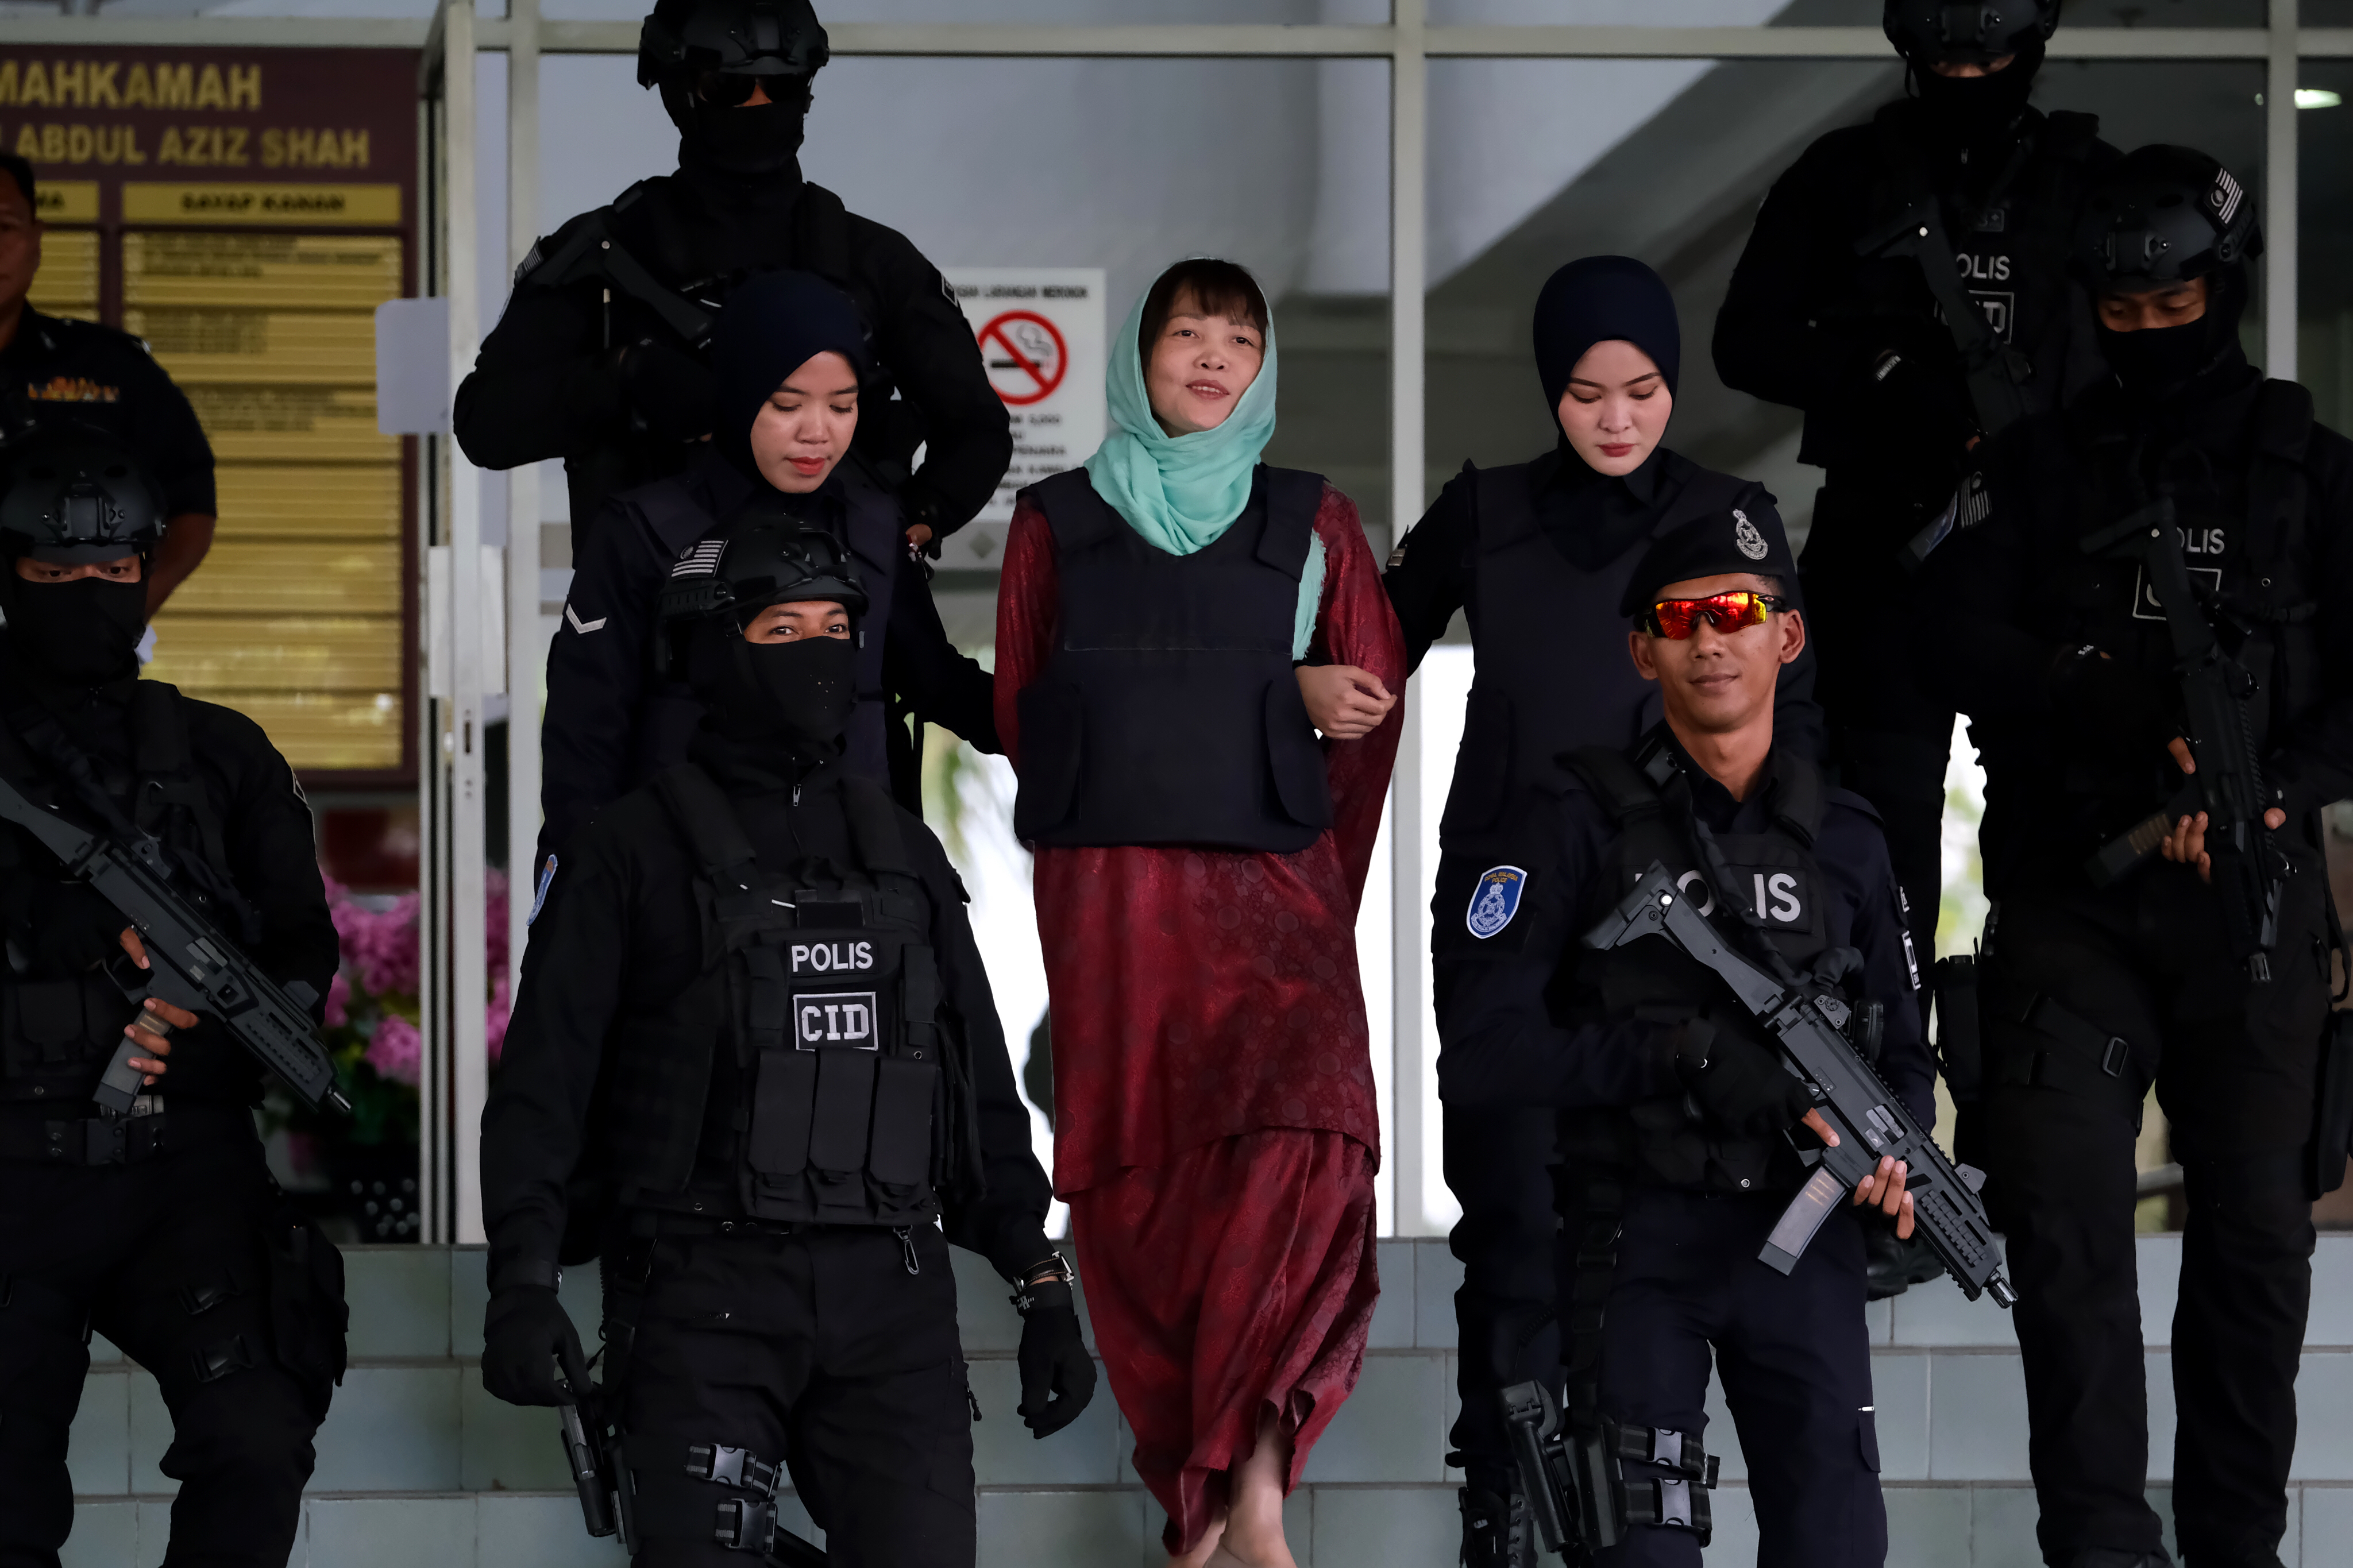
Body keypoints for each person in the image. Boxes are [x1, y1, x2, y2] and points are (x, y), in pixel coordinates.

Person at [479, 519, 1094, 1567]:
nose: (818, 651)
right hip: (702, 1294)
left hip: (890, 1297)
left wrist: (1040, 1284)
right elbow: (547, 1084)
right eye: (781, 626)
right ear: (710, 650)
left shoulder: (901, 849)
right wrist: (523, 1282)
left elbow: (975, 1085)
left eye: (837, 625)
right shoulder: (629, 852)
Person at [1923, 146, 2352, 1568]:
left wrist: (2273, 789)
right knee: (2063, 1232)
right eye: (2125, 314)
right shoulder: (2037, 467)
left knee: (2255, 1249)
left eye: (2179, 309)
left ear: (2221, 291)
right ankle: (2100, 1550)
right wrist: (2102, 696)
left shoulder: (2315, 473)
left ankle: (2236, 1550)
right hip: (2072, 903)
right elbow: (1950, 634)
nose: (2155, 334)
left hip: (2254, 905)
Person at [1384, 254, 1827, 1568]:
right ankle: (1505, 1512)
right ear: (1550, 392)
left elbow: (1792, 725)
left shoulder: (1727, 515)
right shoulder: (1488, 513)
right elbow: (1358, 650)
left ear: (1672, 387)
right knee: (1511, 1217)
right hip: (1511, 906)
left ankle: (1630, 1520)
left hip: (1681, 923)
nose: (1616, 417)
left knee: (1644, 1223)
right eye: (1586, 393)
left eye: (1640, 390)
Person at [994, 257, 1405, 1568]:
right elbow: (1032, 721)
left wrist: (1308, 875)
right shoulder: (1054, 526)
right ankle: (1207, 1502)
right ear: (1141, 354)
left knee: (1313, 1146)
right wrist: (1268, 703)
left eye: (1239, 338)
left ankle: (1258, 1489)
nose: (1214, 358)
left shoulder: (1317, 520)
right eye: (1187, 333)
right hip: (1121, 915)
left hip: (1276, 908)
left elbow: (1371, 724)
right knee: (1145, 1198)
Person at [1434, 507, 1930, 1568]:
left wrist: (1897, 1156)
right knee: (1639, 1554)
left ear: (1783, 637)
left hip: (1804, 1247)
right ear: (1642, 648)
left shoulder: (1848, 838)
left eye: (1736, 612)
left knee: (1837, 1544)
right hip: (1635, 1241)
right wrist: (1676, 1054)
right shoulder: (1572, 818)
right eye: (1681, 618)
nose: (1710, 639)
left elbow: (1905, 1054)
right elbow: (1479, 1056)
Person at [1713, 0, 2117, 986]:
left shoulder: (2092, 188)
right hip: (1882, 548)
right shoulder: (1845, 178)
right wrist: (1883, 375)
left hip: (2043, 555)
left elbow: (2146, 368)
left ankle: (2031, 1074)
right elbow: (1744, 340)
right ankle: (1879, 1072)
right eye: (1949, 63)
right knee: (1870, 830)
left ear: (2033, 43)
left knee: (2062, 829)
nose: (1970, 80)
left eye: (1993, 61)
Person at [0, 431, 346, 1568]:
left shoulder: (223, 755)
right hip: (13, 1163)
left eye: (110, 574)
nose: (85, 596)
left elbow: (302, 942)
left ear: (148, 572)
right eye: (52, 574)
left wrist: (208, 1009)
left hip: (182, 1172)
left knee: (256, 1431)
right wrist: (61, 937)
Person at [452, 0, 1010, 553]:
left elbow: (975, 429)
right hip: (643, 614)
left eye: (782, 85)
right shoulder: (602, 256)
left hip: (836, 617)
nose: (759, 104)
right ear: (677, 91)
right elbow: (485, 422)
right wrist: (622, 377)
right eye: (728, 87)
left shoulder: (875, 261)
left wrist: (920, 515)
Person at [533, 268, 996, 869]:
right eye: (786, 404)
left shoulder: (875, 524)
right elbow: (584, 737)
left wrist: (1081, 725)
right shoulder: (641, 530)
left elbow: (937, 682)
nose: (817, 432)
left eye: (843, 405)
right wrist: (582, 896)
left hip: (852, 884)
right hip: (684, 886)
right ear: (738, 391)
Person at [0, 153, 218, 615]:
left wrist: (124, 613)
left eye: (4, 228)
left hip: (70, 665)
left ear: (36, 239)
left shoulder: (112, 370)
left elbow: (191, 502)